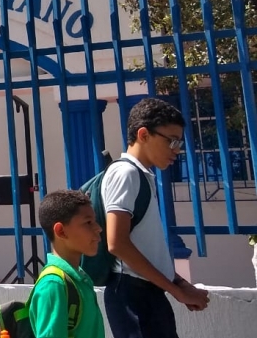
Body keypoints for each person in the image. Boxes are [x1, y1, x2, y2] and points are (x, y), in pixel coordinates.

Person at [102, 97, 210, 338]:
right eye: (171, 141)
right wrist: (176, 290)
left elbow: (146, 247)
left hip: (146, 292)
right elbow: (117, 243)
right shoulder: (126, 173)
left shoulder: (140, 175)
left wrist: (179, 284)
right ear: (143, 134)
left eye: (179, 142)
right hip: (132, 293)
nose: (176, 150)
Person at [29, 190, 105, 338]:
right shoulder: (54, 284)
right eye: (88, 222)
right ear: (61, 231)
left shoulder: (78, 277)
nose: (98, 228)